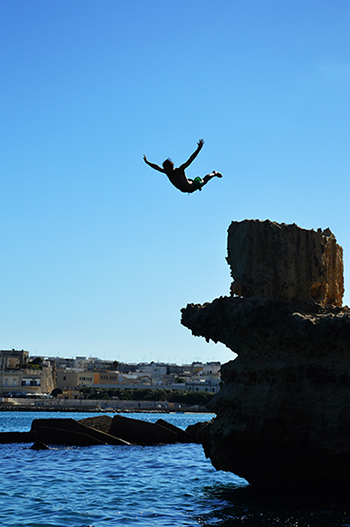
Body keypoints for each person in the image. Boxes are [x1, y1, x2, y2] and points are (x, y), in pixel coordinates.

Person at [143, 139, 222, 193]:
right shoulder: (167, 172)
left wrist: (198, 149)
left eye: (167, 169)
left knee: (205, 180)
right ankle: (195, 182)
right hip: (185, 190)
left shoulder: (179, 170)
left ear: (172, 168)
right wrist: (147, 162)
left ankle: (214, 173)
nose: (166, 172)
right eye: (165, 170)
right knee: (188, 180)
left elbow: (190, 160)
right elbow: (156, 167)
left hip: (192, 186)